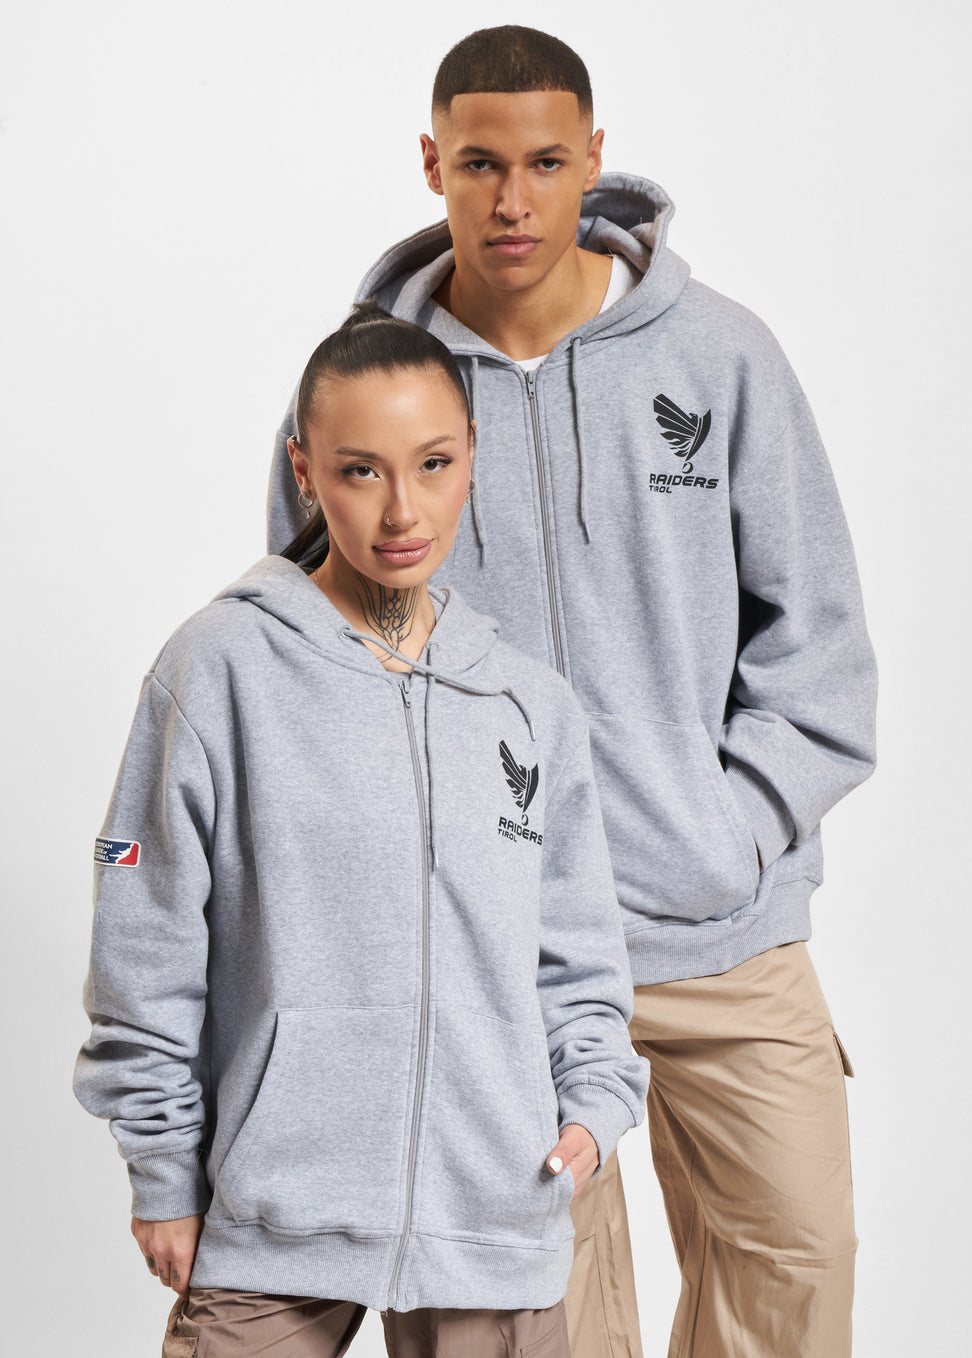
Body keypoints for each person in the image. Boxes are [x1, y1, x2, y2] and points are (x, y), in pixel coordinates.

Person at [265, 26, 878, 1358]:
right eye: (479, 164)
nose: (512, 198)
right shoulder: (367, 390)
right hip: (496, 960)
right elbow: (316, 673)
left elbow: (820, 645)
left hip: (722, 933)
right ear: (431, 163)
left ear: (595, 159)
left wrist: (726, 834)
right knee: (543, 1323)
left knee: (796, 1272)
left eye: (545, 162)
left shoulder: (719, 356)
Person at [74, 304, 650, 1358]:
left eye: (433, 464)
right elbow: (146, 940)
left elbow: (577, 954)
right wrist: (162, 1168)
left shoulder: (528, 704)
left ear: (471, 457)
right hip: (274, 1213)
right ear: (305, 472)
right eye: (359, 471)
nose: (401, 510)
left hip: (493, 1213)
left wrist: (593, 1108)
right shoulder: (220, 669)